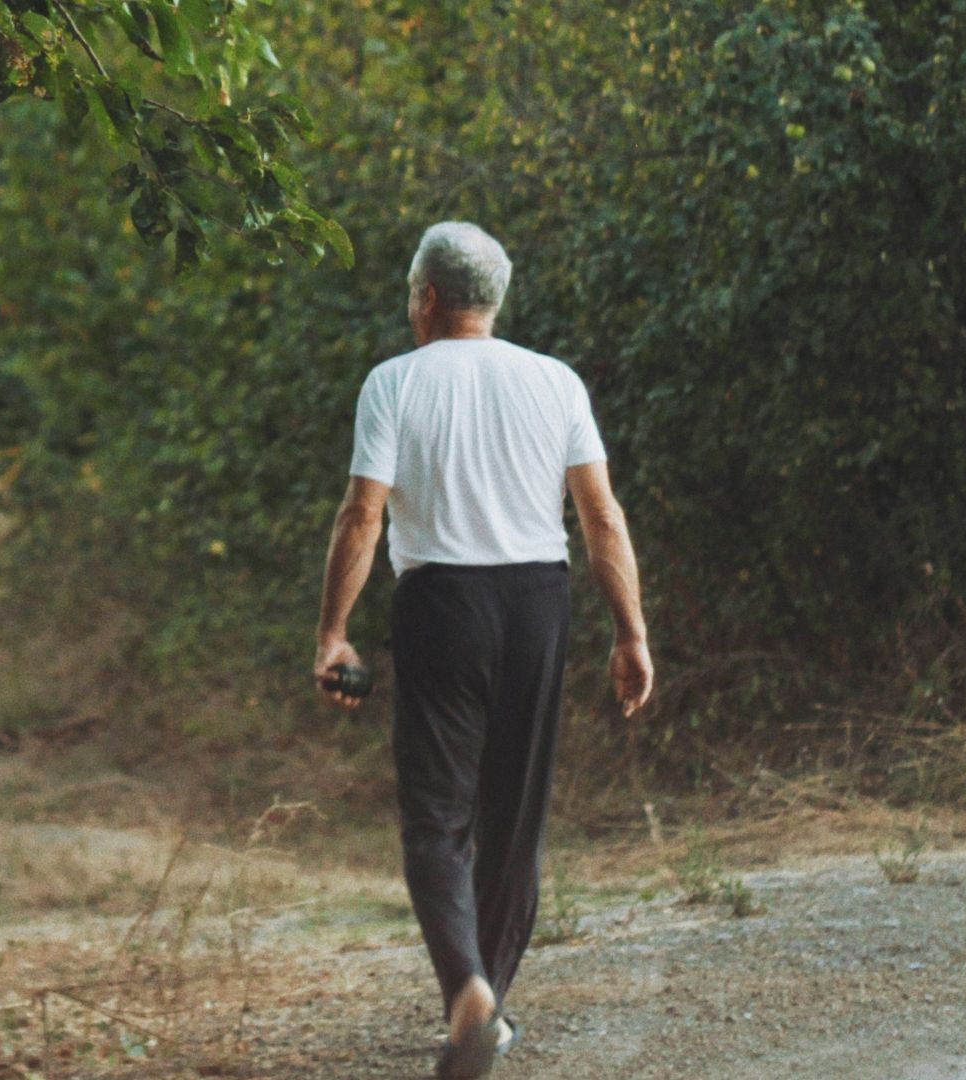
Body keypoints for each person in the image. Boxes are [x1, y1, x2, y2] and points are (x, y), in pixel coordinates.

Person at [312, 222, 653, 1079]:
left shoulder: (394, 382)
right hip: (539, 600)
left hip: (442, 604)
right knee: (515, 820)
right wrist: (631, 631)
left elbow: (363, 515)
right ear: (492, 301)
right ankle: (488, 1005)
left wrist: (332, 631)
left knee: (437, 817)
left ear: (426, 298)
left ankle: (466, 990)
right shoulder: (554, 381)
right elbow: (601, 517)